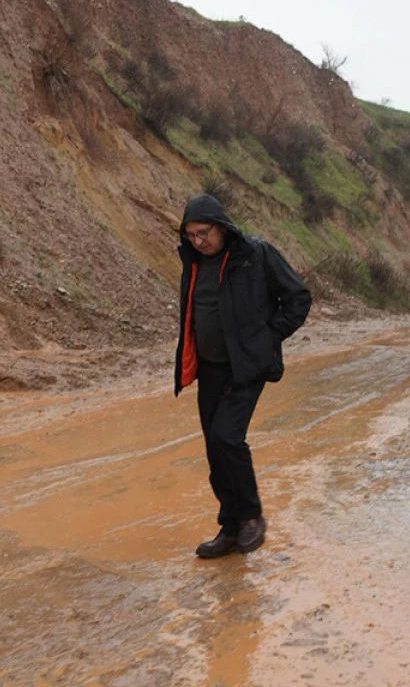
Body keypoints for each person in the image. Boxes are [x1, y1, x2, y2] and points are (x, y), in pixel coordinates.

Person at [174, 194, 312, 558]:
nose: (198, 241)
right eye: (190, 235)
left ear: (222, 227)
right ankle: (231, 527)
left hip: (246, 365)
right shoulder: (192, 261)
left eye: (203, 233)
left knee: (227, 437)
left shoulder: (256, 254)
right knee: (214, 449)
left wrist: (267, 337)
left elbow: (298, 298)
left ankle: (252, 516)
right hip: (209, 368)